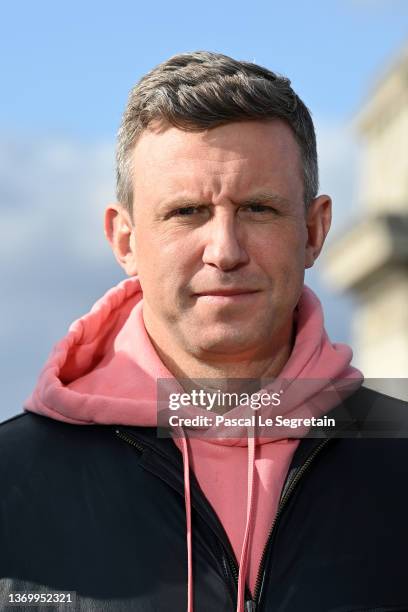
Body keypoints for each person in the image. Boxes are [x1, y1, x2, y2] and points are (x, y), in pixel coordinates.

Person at [1, 50, 408, 612]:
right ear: (125, 240)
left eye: (259, 209)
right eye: (187, 211)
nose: (225, 251)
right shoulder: (11, 483)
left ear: (314, 232)